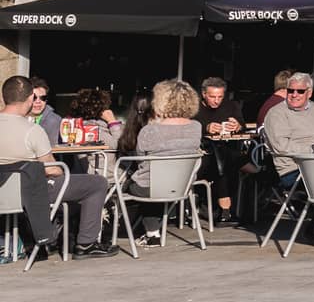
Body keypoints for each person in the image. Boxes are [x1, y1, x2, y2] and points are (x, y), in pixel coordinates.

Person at [0, 74, 112, 257]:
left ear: (4, 98)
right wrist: (61, 169)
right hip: (29, 193)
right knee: (96, 183)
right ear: (30, 99)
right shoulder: (32, 131)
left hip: (3, 192)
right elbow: (51, 170)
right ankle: (86, 244)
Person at [125, 79, 205, 245]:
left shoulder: (150, 130)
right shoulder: (196, 127)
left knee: (141, 179)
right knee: (156, 178)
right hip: (181, 185)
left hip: (150, 187)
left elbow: (140, 157)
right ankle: (152, 232)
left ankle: (149, 232)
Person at [193, 77, 245, 224]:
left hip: (226, 153)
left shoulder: (231, 106)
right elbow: (188, 128)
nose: (217, 100)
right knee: (222, 159)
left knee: (223, 158)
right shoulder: (194, 108)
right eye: (212, 96)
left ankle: (222, 210)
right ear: (204, 94)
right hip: (203, 156)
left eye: (220, 97)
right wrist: (206, 128)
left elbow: (242, 124)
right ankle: (226, 209)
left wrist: (237, 126)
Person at [260, 73, 314, 187]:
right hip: (293, 169)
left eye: (300, 91)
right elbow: (281, 146)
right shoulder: (276, 113)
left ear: (309, 93)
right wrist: (313, 150)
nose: (294, 95)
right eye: (291, 90)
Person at [28, 77, 62, 146]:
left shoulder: (53, 121)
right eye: (34, 98)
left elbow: (52, 151)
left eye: (42, 98)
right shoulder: (17, 117)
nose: (38, 101)